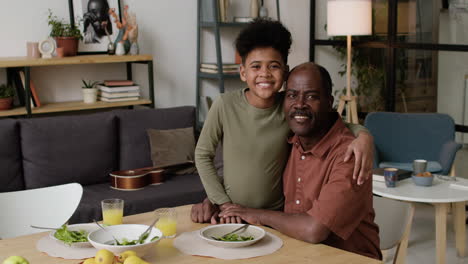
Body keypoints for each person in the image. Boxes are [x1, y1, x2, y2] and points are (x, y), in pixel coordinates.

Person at [193, 18, 374, 223]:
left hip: (276, 215)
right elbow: (202, 155)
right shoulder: (224, 105)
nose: (265, 74)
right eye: (256, 66)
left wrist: (364, 135)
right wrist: (220, 201)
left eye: (273, 66)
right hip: (232, 212)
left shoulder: (290, 107)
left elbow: (334, 121)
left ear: (285, 72)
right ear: (243, 72)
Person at [219, 62, 381, 260]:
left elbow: (314, 230)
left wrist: (257, 215)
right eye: (292, 95)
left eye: (311, 96)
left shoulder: (349, 155)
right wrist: (216, 201)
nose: (300, 104)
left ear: (329, 102)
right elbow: (253, 179)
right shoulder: (288, 141)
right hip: (297, 255)